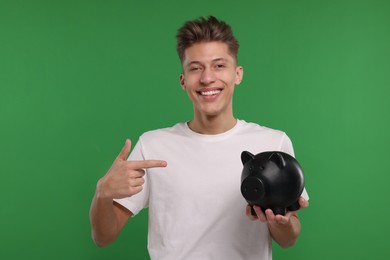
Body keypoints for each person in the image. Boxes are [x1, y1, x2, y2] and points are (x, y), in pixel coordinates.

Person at [89, 16, 309, 260]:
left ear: (237, 74)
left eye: (219, 66)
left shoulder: (273, 144)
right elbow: (103, 237)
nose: (207, 78)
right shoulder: (152, 146)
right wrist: (102, 194)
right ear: (183, 81)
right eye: (195, 68)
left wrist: (280, 221)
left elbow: (288, 239)